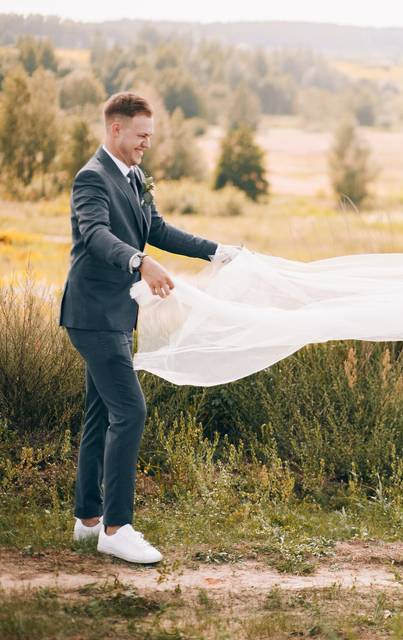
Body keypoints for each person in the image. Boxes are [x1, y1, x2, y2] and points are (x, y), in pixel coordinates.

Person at [59, 92, 241, 563]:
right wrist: (140, 262)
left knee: (102, 412)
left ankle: (87, 520)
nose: (146, 145)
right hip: (92, 314)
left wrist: (215, 250)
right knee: (131, 411)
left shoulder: (135, 176)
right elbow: (97, 236)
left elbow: (155, 227)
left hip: (118, 314)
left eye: (150, 137)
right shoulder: (91, 179)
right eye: (140, 136)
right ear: (115, 129)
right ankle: (117, 528)